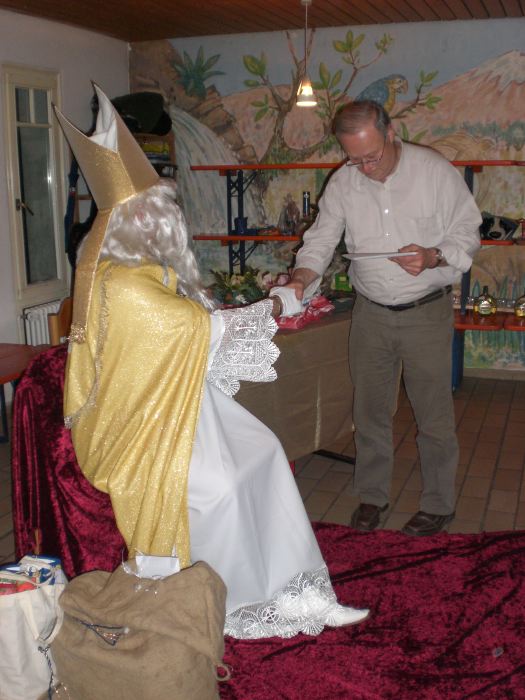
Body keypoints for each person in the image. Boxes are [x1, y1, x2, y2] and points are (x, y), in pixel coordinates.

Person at [53, 84, 369, 640]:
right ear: (144, 222)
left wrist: (250, 308)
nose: (173, 223)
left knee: (264, 450)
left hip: (174, 405)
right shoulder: (124, 284)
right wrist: (278, 304)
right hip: (142, 428)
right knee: (222, 486)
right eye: (163, 213)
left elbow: (186, 327)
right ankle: (229, 602)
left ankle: (298, 593)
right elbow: (200, 331)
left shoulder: (136, 269)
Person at [281, 99, 481, 537]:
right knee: (370, 412)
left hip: (425, 311)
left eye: (372, 157)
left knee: (433, 416)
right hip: (370, 314)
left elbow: (468, 230)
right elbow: (321, 240)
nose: (365, 169)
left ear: (391, 133)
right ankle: (372, 497)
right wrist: (300, 278)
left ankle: (439, 504)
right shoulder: (345, 181)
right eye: (355, 159)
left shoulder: (433, 171)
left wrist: (434, 256)